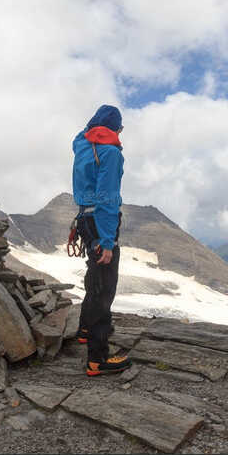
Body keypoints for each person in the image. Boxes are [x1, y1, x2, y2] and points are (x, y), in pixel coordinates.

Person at [71, 104, 132, 378]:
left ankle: (85, 330)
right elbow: (107, 196)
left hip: (84, 219)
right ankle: (97, 360)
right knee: (104, 288)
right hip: (100, 222)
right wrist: (107, 241)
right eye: (120, 128)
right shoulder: (110, 153)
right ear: (116, 129)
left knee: (93, 278)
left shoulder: (81, 146)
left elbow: (82, 133)